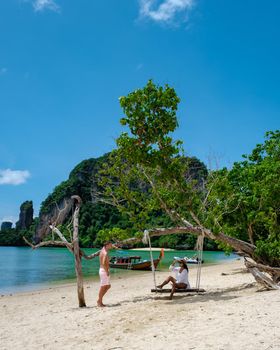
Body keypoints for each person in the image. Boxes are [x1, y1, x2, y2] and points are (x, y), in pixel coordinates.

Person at [97, 241, 113, 307]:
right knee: (103, 286)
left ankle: (99, 300)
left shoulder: (102, 251)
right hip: (104, 271)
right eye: (110, 245)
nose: (111, 246)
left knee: (108, 286)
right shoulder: (105, 252)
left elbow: (103, 262)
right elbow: (103, 263)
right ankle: (99, 301)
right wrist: (107, 271)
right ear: (106, 245)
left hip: (103, 270)